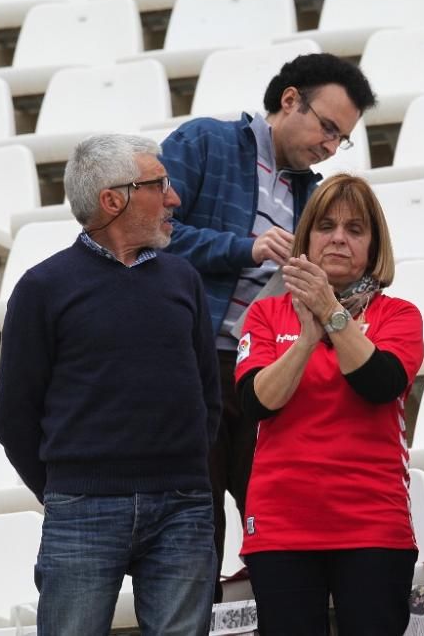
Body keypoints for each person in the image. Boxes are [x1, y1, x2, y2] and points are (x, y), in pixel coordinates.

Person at [159, 53, 376, 591]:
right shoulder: (205, 142)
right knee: (195, 515)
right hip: (191, 359)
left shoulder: (311, 191)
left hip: (262, 364)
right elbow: (152, 233)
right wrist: (245, 248)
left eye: (340, 138)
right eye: (327, 127)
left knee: (273, 504)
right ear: (288, 100)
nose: (329, 145)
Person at [0, 134, 221, 636]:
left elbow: (208, 395)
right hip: (82, 507)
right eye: (159, 184)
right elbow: (14, 417)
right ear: (112, 200)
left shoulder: (184, 280)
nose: (174, 198)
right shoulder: (42, 288)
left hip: (183, 504)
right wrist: (67, 491)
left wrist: (183, 468)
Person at [233, 174, 424, 634]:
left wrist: (331, 314)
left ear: (373, 246)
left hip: (371, 524)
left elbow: (380, 383)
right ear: (307, 238)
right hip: (282, 527)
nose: (339, 237)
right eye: (326, 226)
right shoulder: (264, 313)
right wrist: (305, 341)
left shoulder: (398, 315)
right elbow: (257, 402)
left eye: (355, 229)